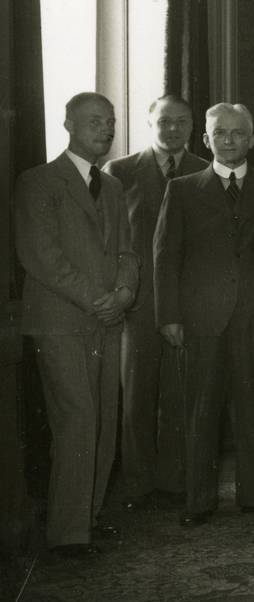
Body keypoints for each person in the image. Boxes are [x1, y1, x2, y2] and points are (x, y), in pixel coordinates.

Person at [16, 92, 140, 559]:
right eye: (94, 122)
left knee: (105, 419)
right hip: (61, 323)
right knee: (77, 421)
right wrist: (99, 301)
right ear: (68, 125)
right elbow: (42, 258)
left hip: (107, 321)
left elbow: (128, 251)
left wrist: (125, 294)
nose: (105, 130)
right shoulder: (38, 181)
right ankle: (67, 534)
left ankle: (87, 519)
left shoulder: (111, 186)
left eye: (109, 122)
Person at [156, 102, 254, 528]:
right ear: (205, 140)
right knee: (201, 410)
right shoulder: (184, 189)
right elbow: (165, 257)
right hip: (202, 317)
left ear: (253, 139)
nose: (229, 140)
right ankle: (199, 500)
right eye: (220, 133)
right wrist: (169, 316)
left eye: (238, 133)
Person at [103, 94, 207, 511]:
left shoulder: (205, 170)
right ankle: (138, 485)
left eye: (181, 122)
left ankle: (174, 481)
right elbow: (109, 240)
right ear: (150, 124)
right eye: (164, 122)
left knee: (182, 395)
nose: (173, 129)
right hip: (139, 302)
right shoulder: (121, 171)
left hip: (188, 303)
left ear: (192, 125)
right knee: (138, 395)